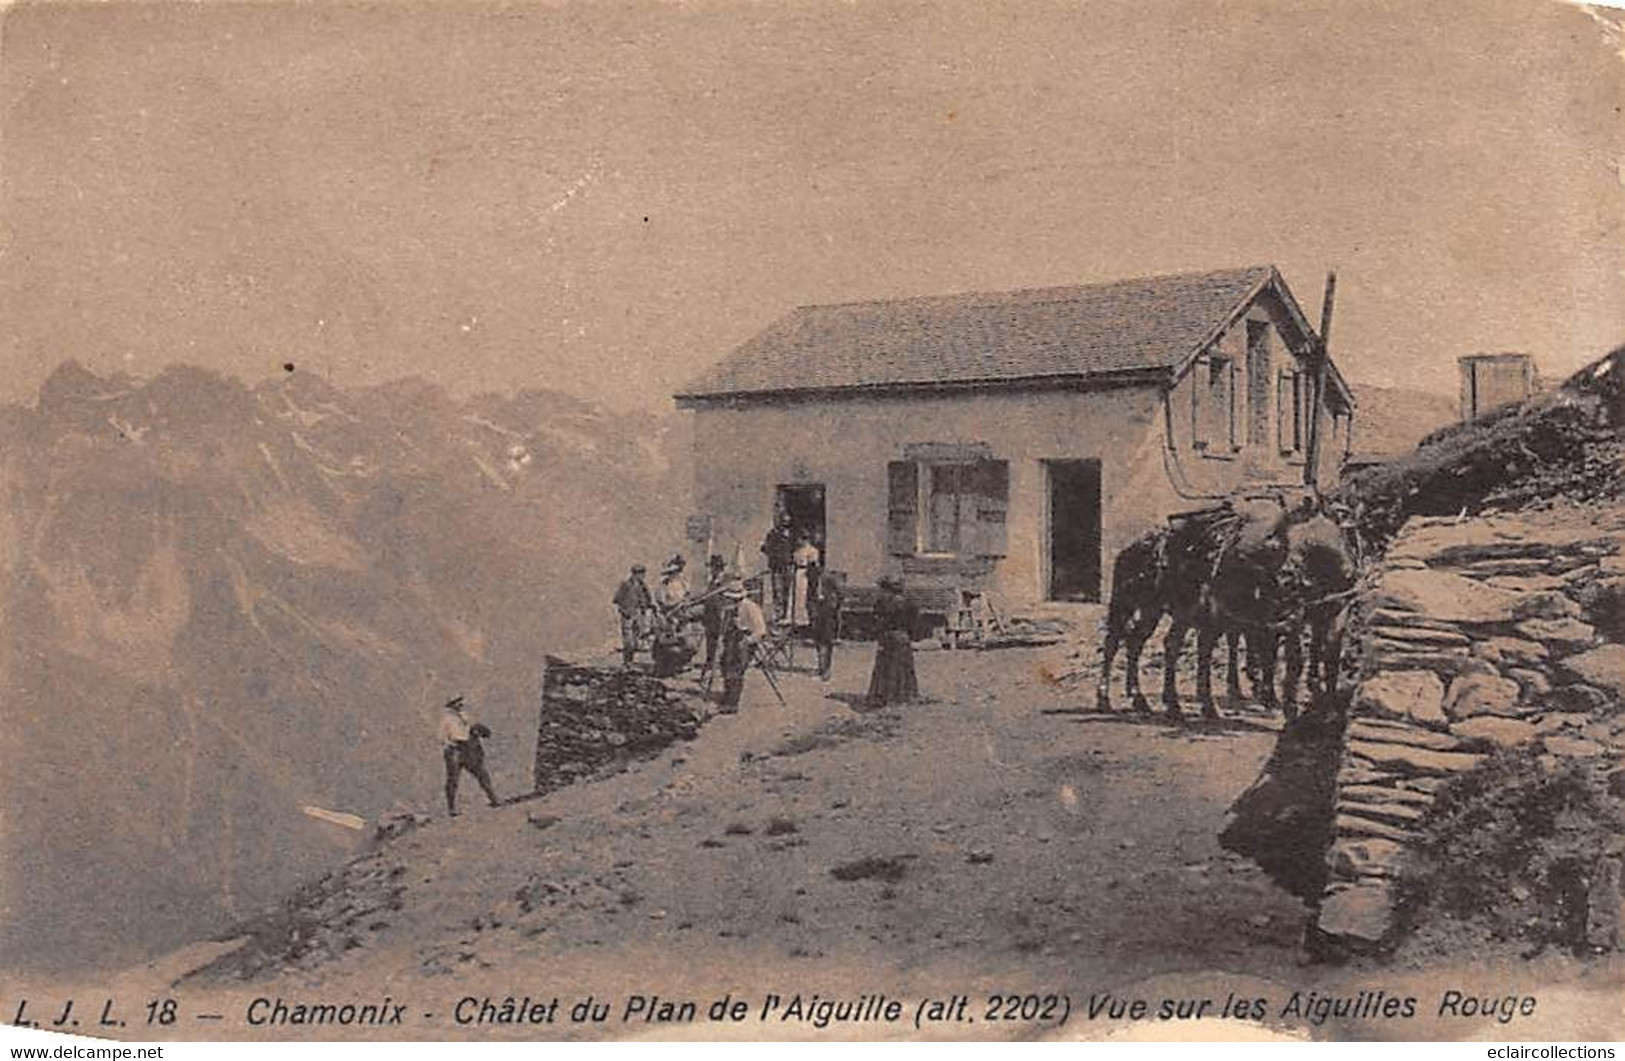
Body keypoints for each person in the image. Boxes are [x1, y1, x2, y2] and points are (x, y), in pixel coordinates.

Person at [440, 696, 498, 817]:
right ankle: (451, 808)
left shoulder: (464, 715)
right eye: (457, 702)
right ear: (452, 704)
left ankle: (493, 799)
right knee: (453, 779)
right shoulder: (447, 719)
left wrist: (475, 732)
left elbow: (471, 729)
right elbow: (449, 737)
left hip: (467, 749)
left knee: (481, 773)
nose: (461, 704)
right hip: (455, 750)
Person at [866, 575, 919, 707]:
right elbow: (915, 622)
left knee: (885, 668)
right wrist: (909, 634)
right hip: (903, 637)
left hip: (888, 637)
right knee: (903, 668)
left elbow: (877, 621)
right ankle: (904, 696)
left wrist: (878, 633)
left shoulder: (883, 602)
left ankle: (884, 696)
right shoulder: (909, 602)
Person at [718, 579, 768, 714]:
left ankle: (732, 703)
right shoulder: (729, 609)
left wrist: (748, 640)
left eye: (735, 600)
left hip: (747, 640)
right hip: (732, 640)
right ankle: (727, 694)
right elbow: (725, 628)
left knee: (736, 667)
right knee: (724, 663)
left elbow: (761, 630)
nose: (732, 602)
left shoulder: (751, 607)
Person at [612, 564, 653, 666]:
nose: (642, 576)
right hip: (628, 616)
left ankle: (630, 661)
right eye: (639, 573)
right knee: (628, 641)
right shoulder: (625, 585)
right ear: (634, 574)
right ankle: (627, 662)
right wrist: (624, 611)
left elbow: (648, 599)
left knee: (635, 640)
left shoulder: (643, 586)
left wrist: (646, 607)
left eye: (643, 574)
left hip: (638, 615)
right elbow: (617, 599)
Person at [698, 554, 729, 683]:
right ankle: (709, 670)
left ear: (719, 568)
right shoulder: (712, 581)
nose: (712, 570)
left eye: (714, 568)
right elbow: (708, 598)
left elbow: (726, 600)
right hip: (710, 618)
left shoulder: (725, 581)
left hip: (720, 618)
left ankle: (722, 672)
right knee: (710, 646)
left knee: (722, 646)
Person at [810, 568, 844, 682]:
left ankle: (826, 671)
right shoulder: (815, 580)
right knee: (819, 642)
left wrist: (835, 607)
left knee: (826, 642)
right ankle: (821, 668)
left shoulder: (829, 578)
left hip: (828, 614)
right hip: (818, 613)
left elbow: (840, 594)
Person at [759, 514, 795, 622]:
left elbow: (794, 549)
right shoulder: (772, 534)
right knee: (778, 590)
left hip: (787, 566)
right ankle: (779, 614)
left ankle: (784, 615)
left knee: (786, 591)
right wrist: (774, 554)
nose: (785, 525)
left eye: (787, 523)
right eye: (783, 523)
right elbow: (764, 548)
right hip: (776, 567)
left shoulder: (791, 535)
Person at [790, 533, 820, 628]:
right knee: (796, 596)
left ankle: (804, 619)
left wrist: (812, 576)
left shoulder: (812, 550)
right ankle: (796, 619)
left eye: (802, 539)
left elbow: (814, 564)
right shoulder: (798, 551)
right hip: (797, 572)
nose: (799, 541)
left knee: (804, 595)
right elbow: (794, 561)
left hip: (806, 573)